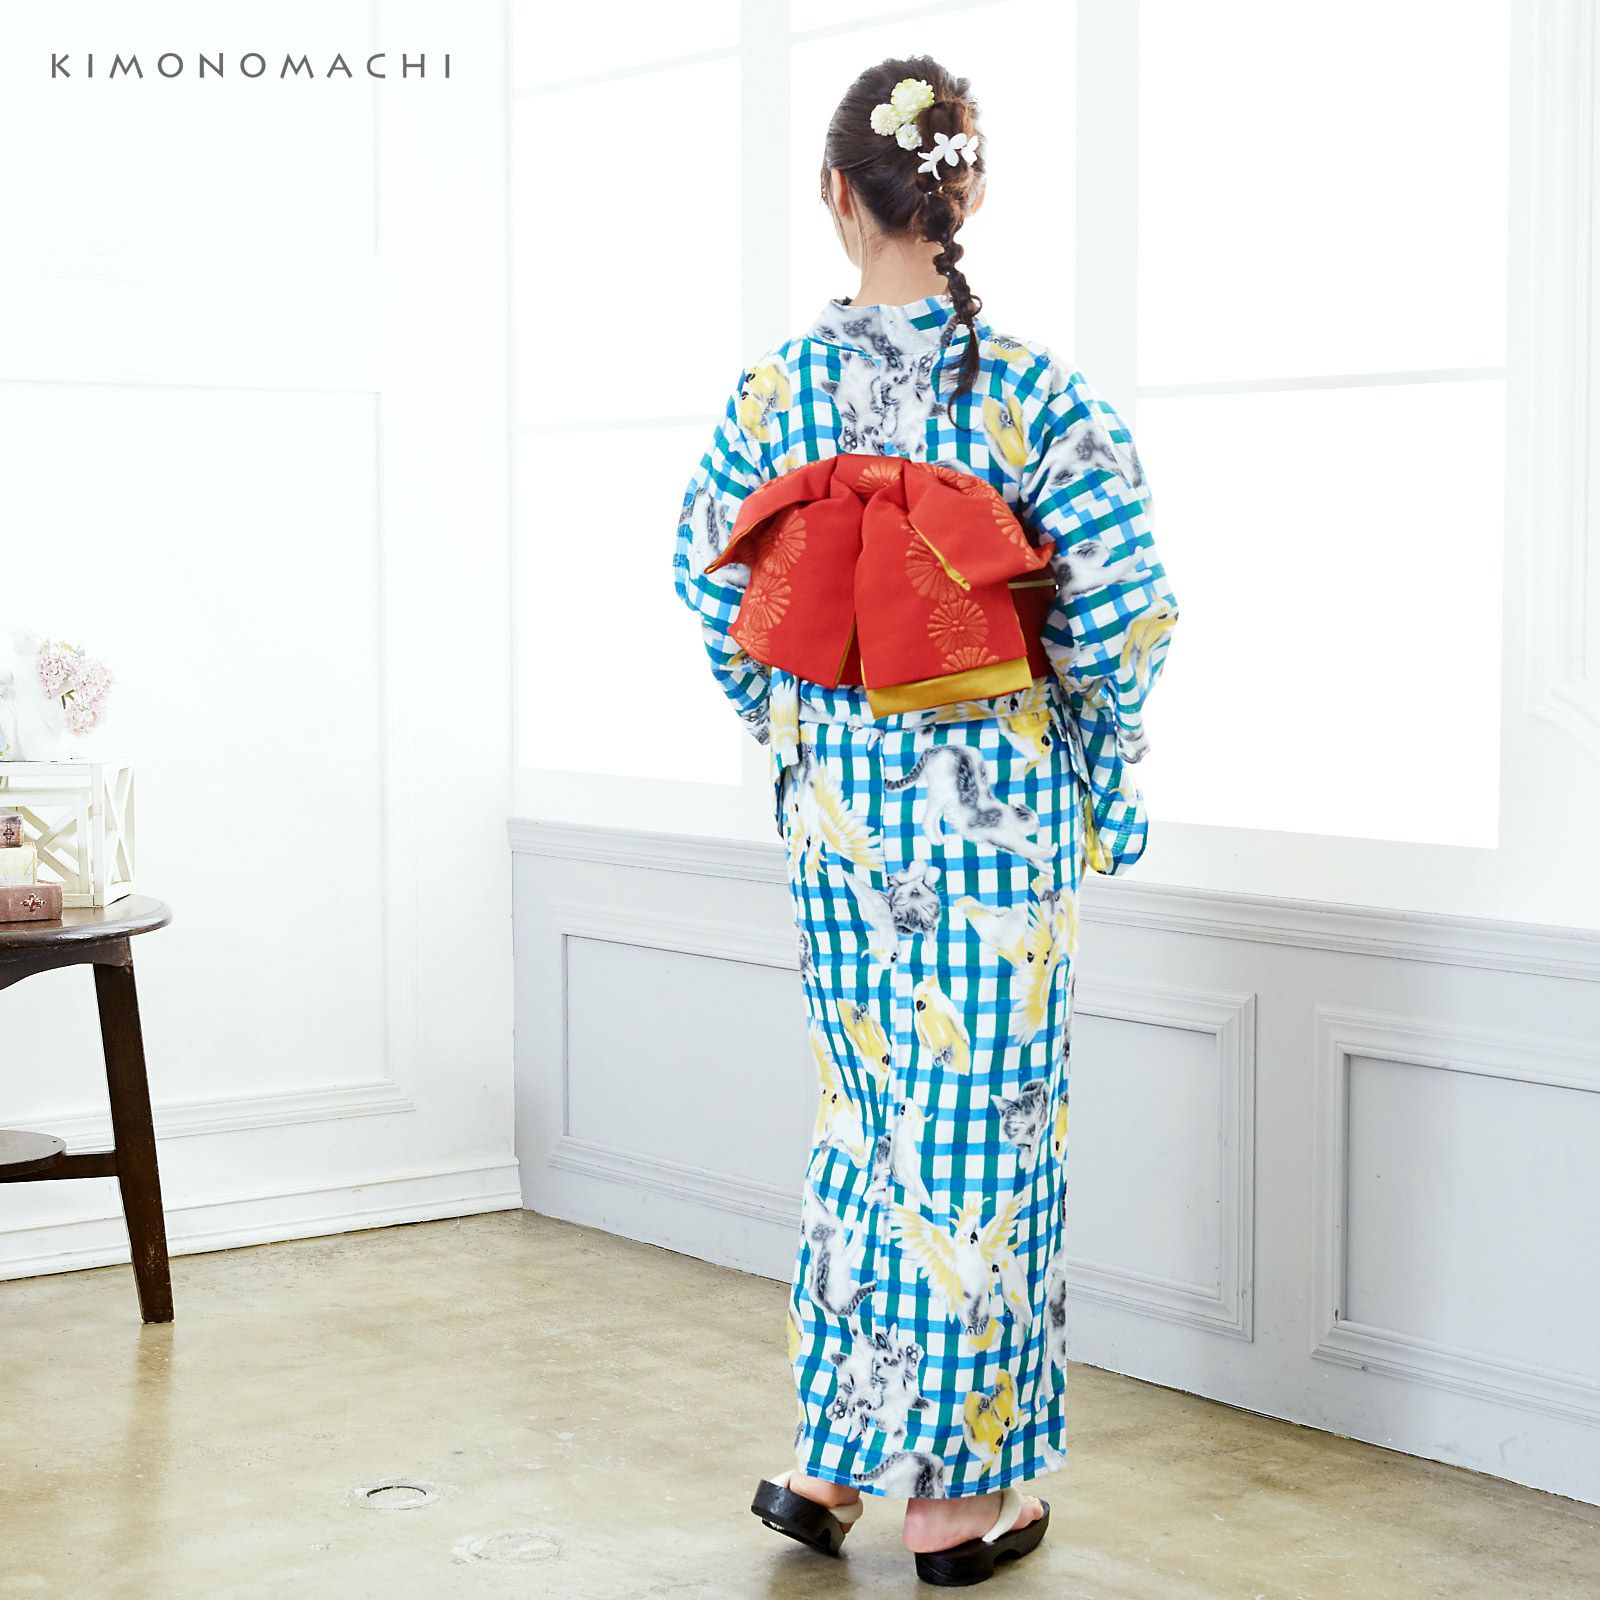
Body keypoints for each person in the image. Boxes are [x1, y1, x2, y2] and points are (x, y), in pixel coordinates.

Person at [672, 53, 1178, 1588]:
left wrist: (801, 731)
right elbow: (1122, 614)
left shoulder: (775, 394)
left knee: (866, 1118)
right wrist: (1099, 768)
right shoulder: (1032, 395)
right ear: (969, 192)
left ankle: (830, 1460)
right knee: (978, 1139)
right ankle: (956, 1500)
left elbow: (709, 581)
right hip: (995, 817)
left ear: (838, 193)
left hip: (837, 814)